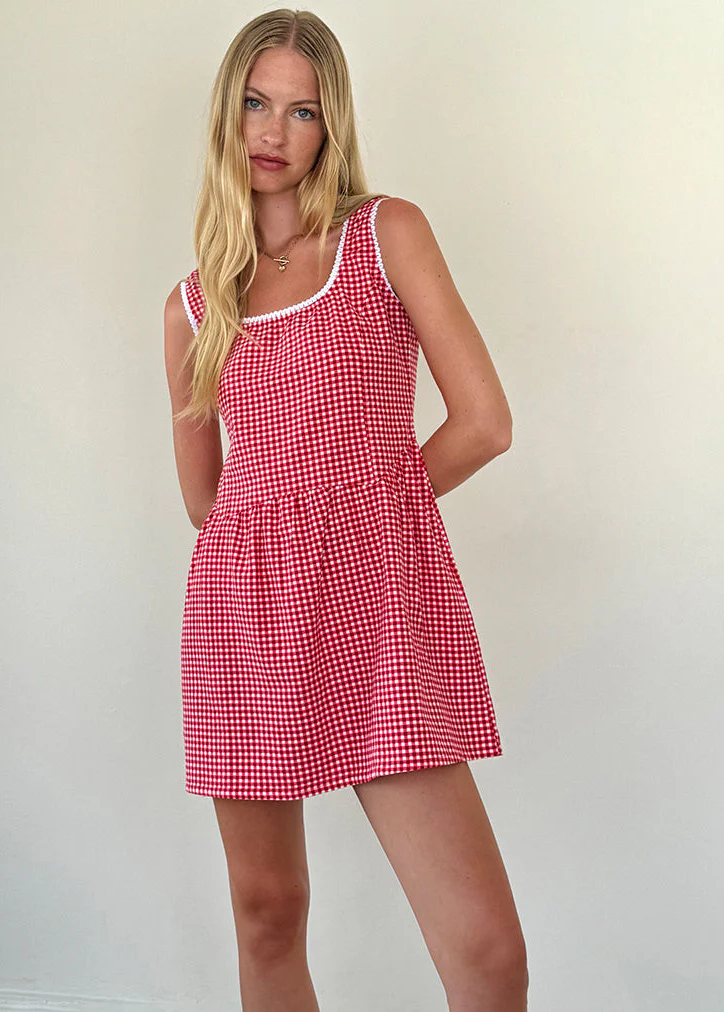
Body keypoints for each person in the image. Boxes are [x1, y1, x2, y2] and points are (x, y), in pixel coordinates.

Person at [163, 9, 528, 1011]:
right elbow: (207, 501)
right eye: (254, 102)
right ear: (226, 112)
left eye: (302, 110)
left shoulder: (382, 236)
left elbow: (483, 423)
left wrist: (358, 520)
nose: (272, 131)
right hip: (244, 622)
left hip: (373, 605)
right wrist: (282, 535)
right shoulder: (194, 305)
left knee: (485, 950)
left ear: (332, 125)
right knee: (267, 911)